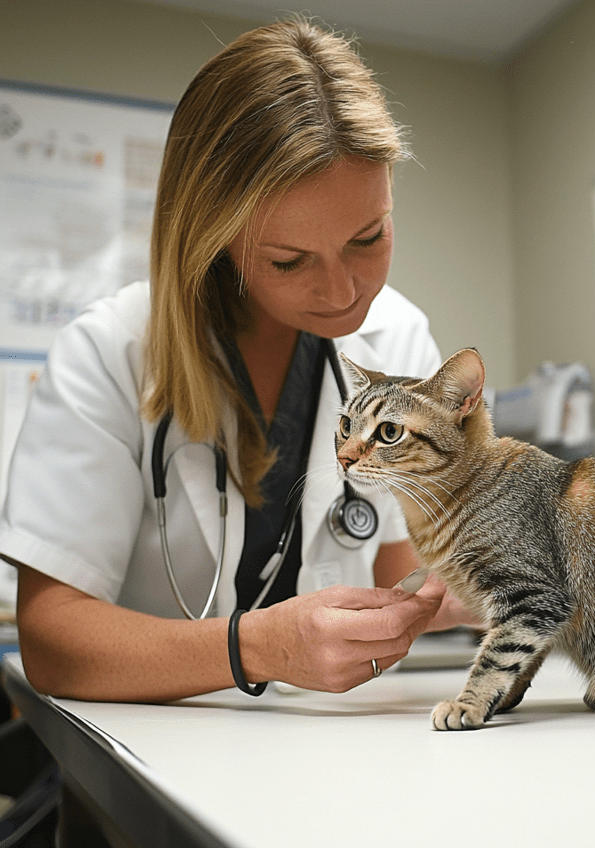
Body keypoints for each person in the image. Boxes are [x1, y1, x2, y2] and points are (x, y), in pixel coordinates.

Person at [0, 18, 476, 703]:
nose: (344, 292)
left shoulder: (397, 340)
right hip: (159, 748)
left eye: (368, 237)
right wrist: (257, 647)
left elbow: (401, 570)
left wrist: (461, 585)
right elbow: (53, 642)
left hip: (329, 747)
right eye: (289, 260)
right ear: (215, 237)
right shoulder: (109, 352)